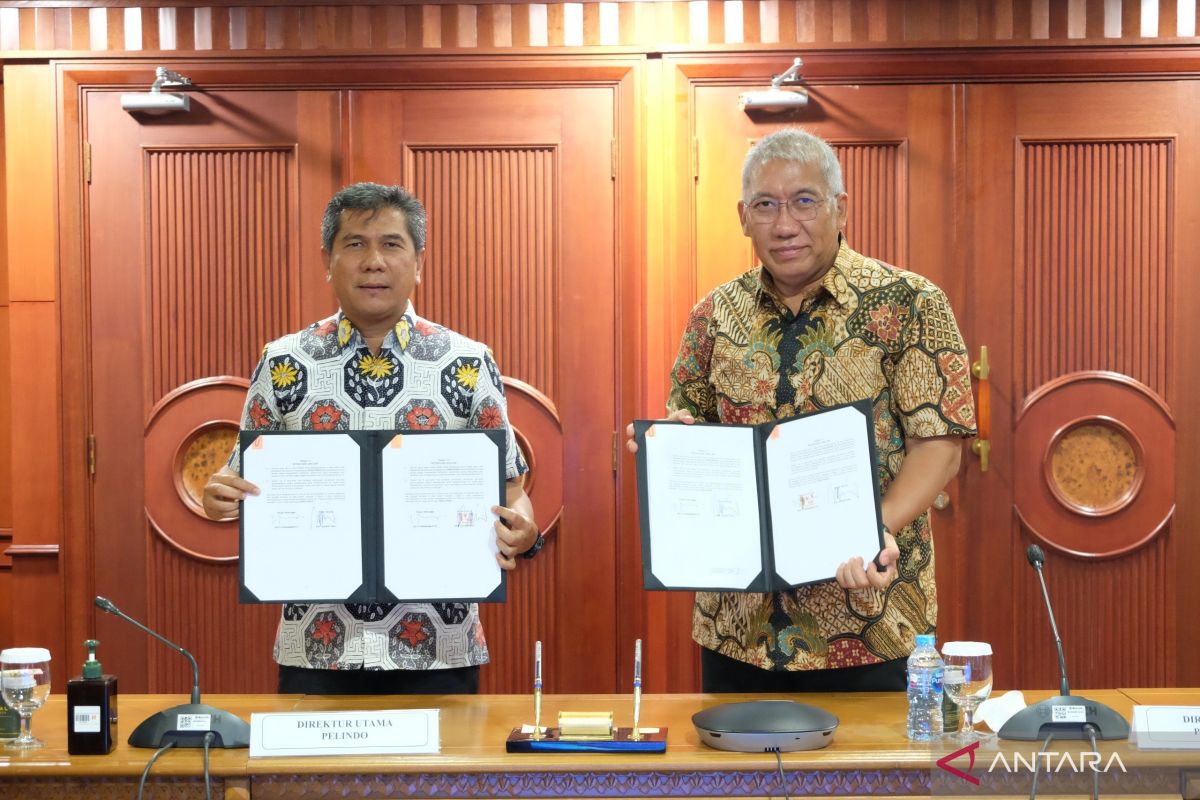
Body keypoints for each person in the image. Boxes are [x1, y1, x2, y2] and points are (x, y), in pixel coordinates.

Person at [630, 128, 975, 692]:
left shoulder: (910, 302)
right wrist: (672, 444)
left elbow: (938, 445)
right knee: (737, 781)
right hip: (736, 626)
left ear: (840, 208)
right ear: (744, 217)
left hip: (869, 618)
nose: (785, 225)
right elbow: (688, 419)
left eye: (804, 202)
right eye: (766, 205)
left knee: (862, 783)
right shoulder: (714, 315)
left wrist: (871, 528)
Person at [203, 182, 542, 695]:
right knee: (316, 781)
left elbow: (513, 493)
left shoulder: (468, 362)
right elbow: (240, 474)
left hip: (439, 645)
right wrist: (220, 493)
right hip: (317, 644)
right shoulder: (283, 362)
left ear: (419, 260)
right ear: (329, 258)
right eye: (355, 244)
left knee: (435, 780)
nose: (373, 262)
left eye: (391, 244)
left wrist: (525, 531)